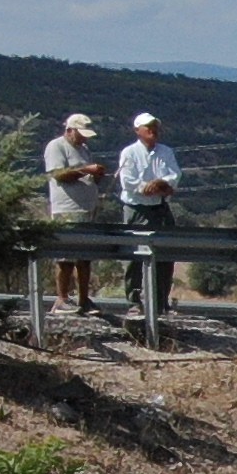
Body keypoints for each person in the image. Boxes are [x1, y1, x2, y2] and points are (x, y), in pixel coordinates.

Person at [114, 112, 181, 321]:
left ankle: (161, 302)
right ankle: (134, 301)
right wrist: (150, 187)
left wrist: (161, 185)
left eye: (154, 126)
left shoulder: (166, 152)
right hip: (137, 209)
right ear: (137, 131)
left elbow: (175, 176)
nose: (152, 130)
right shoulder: (130, 153)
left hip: (160, 208)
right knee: (134, 256)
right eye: (147, 127)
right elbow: (129, 183)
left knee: (165, 255)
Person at [40, 112, 108, 314]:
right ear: (69, 130)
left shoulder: (84, 149)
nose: (84, 138)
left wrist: (96, 176)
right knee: (65, 256)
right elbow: (58, 174)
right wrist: (86, 170)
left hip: (86, 208)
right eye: (80, 133)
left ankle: (83, 299)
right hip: (67, 209)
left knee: (84, 257)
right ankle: (62, 298)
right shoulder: (56, 146)